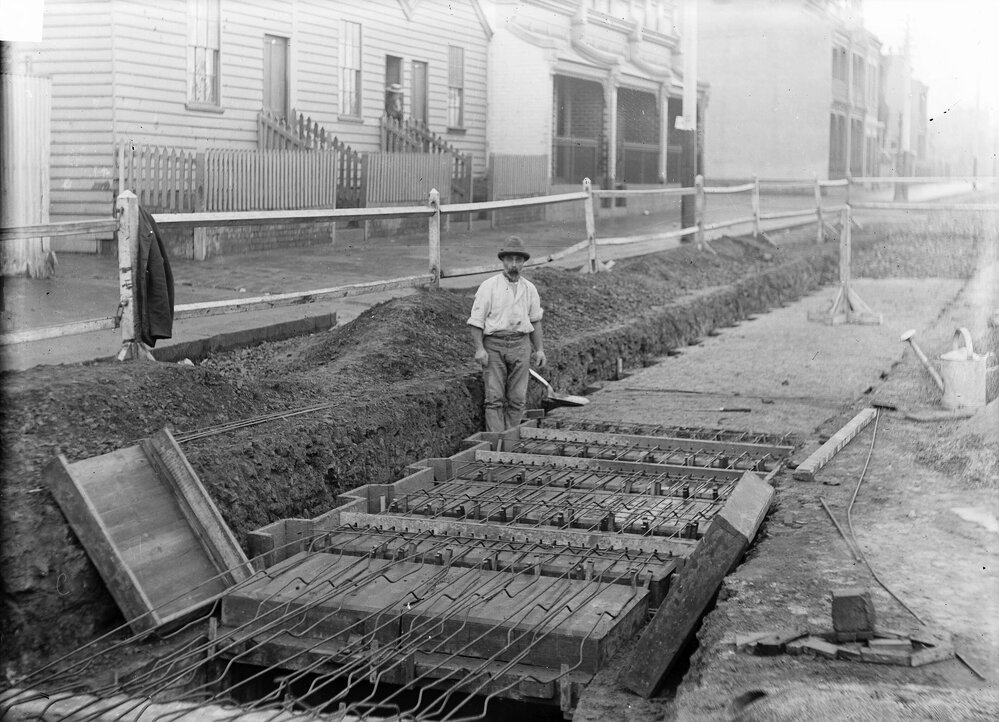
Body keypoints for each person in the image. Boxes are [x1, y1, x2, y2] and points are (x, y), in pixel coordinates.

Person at [467, 236, 547, 432]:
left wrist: (540, 350)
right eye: (509, 259)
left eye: (518, 260)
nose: (514, 264)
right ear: (502, 261)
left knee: (518, 398)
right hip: (494, 344)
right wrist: (479, 349)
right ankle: (496, 443)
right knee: (494, 397)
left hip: (521, 345)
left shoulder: (529, 289)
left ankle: (510, 441)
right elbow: (476, 321)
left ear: (523, 263)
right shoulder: (489, 286)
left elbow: (535, 320)